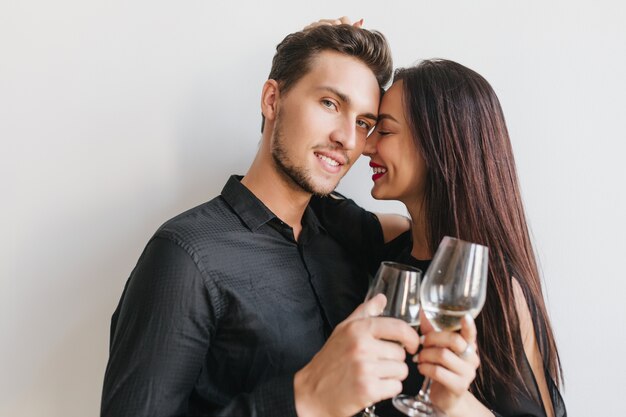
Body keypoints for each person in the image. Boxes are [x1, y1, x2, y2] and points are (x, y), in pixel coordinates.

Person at [100, 22, 428, 417]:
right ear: (272, 100)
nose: (347, 138)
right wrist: (303, 398)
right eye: (329, 103)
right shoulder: (185, 256)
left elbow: (423, 231)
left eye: (363, 122)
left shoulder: (346, 237)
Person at [312, 59, 566, 417]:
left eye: (383, 132)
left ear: (437, 143)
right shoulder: (394, 243)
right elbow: (307, 191)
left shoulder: (498, 289)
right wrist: (318, 51)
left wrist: (456, 403)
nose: (366, 148)